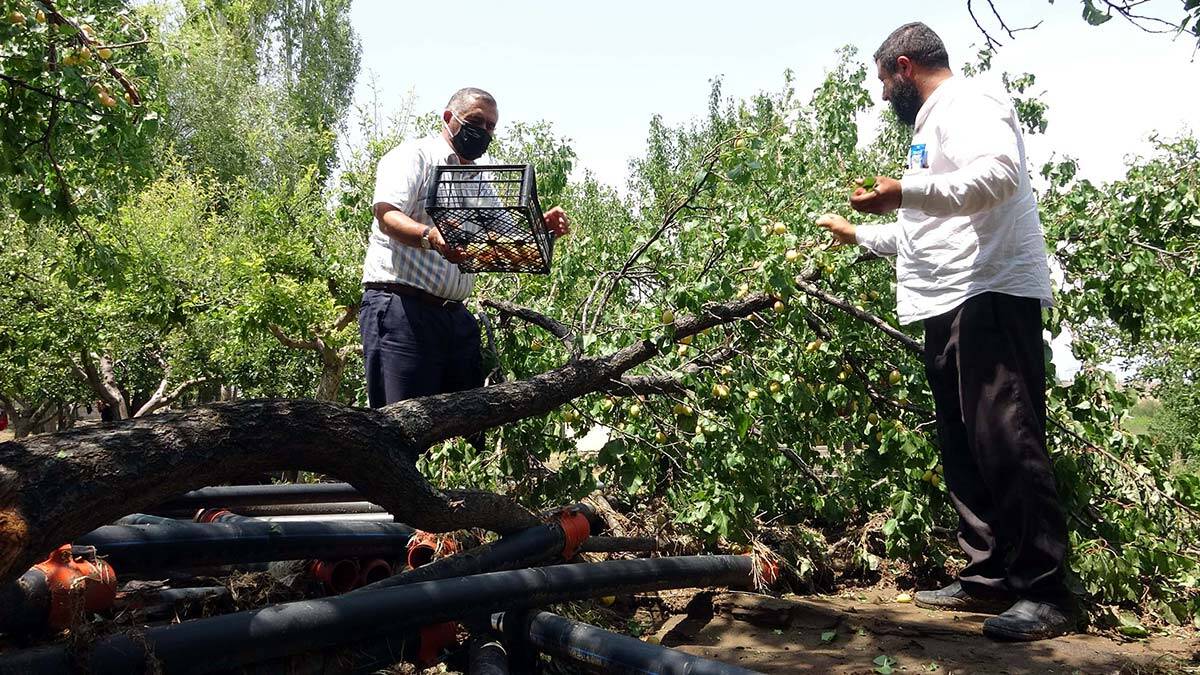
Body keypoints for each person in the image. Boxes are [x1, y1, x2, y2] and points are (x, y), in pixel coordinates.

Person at [816, 23, 1074, 641]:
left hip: (990, 291)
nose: (883, 95)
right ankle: (989, 576)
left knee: (1007, 437)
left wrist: (904, 191)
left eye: (884, 80)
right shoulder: (930, 128)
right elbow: (930, 230)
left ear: (904, 67)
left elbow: (998, 178)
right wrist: (861, 234)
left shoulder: (969, 102)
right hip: (949, 299)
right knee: (964, 443)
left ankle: (1046, 592)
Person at [358, 87, 570, 427]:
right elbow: (387, 215)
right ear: (448, 117)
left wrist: (540, 227)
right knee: (399, 427)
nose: (483, 131)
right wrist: (429, 236)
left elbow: (504, 236)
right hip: (402, 309)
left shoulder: (478, 180)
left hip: (454, 318)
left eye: (490, 126)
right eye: (476, 121)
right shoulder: (414, 157)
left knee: (460, 427)